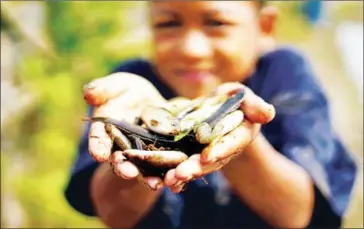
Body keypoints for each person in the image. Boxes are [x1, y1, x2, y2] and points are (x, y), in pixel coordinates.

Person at [64, 1, 358, 228]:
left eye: (217, 23)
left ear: (265, 27)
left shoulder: (285, 73)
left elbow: (295, 215)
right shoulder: (129, 86)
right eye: (168, 23)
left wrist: (240, 143)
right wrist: (136, 156)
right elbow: (115, 216)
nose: (191, 49)